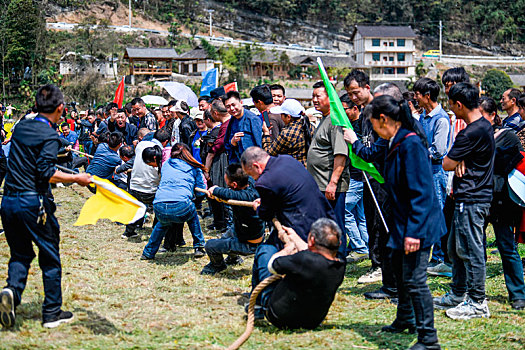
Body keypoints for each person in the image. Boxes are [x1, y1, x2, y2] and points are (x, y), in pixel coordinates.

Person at [344, 95, 444, 350]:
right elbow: (373, 157)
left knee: (414, 279)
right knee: (398, 270)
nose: (373, 130)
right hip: (401, 221)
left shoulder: (410, 144)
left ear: (384, 120)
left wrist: (413, 233)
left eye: (373, 125)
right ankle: (405, 318)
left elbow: (421, 193)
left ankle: (428, 339)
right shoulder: (392, 141)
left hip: (417, 224)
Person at [0, 84, 92, 329]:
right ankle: (51, 313)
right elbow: (46, 172)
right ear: (61, 109)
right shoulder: (50, 136)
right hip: (33, 203)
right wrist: (77, 178)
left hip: (8, 202)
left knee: (20, 253)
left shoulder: (20, 128)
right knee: (50, 256)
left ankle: (12, 292)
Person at [240, 147, 335, 310]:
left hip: (299, 228)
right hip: (322, 219)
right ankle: (257, 292)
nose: (252, 179)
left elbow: (265, 214)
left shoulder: (265, 182)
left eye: (250, 175)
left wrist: (259, 208)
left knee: (265, 251)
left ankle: (264, 299)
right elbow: (285, 193)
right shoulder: (287, 160)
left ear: (256, 166)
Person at [434, 82, 495, 320]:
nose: (450, 109)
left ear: (459, 104)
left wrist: (456, 159)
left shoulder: (470, 132)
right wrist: (459, 158)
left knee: (470, 249)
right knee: (455, 248)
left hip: (472, 197)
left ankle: (477, 301)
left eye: (450, 104)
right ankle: (458, 293)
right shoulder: (483, 126)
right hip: (468, 196)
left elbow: (446, 162)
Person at [479, 96, 525, 310]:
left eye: (481, 116)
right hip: (479, 198)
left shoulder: (507, 136)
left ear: (492, 115)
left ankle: (517, 294)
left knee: (507, 247)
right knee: (473, 247)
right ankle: (473, 290)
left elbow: (491, 160)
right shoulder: (475, 136)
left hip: (501, 201)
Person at [256, 218, 345, 328]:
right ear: (339, 243)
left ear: (311, 240)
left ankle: (258, 308)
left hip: (279, 317)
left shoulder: (304, 260)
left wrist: (287, 250)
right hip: (312, 322)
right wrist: (294, 237)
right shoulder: (340, 266)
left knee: (265, 250)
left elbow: (272, 265)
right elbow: (314, 255)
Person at [140, 143, 206, 259]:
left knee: (162, 223)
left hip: (159, 204)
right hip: (182, 204)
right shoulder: (194, 167)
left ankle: (148, 253)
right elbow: (201, 191)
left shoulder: (166, 165)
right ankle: (199, 246)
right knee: (193, 217)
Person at [307, 81, 350, 257]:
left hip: (331, 186)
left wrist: (333, 182)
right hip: (321, 185)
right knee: (325, 224)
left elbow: (341, 154)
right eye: (313, 96)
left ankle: (339, 257)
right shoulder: (324, 118)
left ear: (329, 98)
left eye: (318, 96)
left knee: (335, 223)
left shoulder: (335, 120)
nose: (314, 100)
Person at [201, 163, 264, 275]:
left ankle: (218, 266)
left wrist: (215, 189)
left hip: (248, 244)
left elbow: (225, 193)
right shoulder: (251, 184)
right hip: (242, 230)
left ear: (235, 185)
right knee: (225, 237)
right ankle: (234, 259)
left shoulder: (245, 197)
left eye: (228, 184)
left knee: (210, 245)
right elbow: (228, 193)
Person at [413, 77, 450, 266]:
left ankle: (439, 258)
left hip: (436, 172)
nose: (415, 98)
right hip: (426, 172)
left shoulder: (441, 119)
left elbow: (439, 151)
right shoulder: (423, 117)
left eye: (417, 95)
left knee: (437, 215)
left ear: (427, 96)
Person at [339, 93, 369, 262]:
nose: (343, 114)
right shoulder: (348, 125)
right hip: (354, 176)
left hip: (359, 176)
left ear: (355, 108)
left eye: (345, 110)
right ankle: (366, 245)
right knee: (360, 215)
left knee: (345, 211)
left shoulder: (363, 125)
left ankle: (359, 247)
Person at [205, 99, 232, 232]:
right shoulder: (225, 124)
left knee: (223, 191)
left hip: (223, 162)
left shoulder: (227, 125)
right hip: (223, 160)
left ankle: (227, 224)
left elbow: (217, 147)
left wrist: (207, 167)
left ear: (215, 113)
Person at [261, 98, 312, 166]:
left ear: (288, 117)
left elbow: (269, 152)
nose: (280, 117)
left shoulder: (287, 134)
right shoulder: (309, 126)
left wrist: (266, 133)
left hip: (292, 169)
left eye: (281, 114)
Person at [223, 91, 263, 163]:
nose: (232, 108)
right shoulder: (232, 121)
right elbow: (227, 144)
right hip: (238, 163)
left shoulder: (252, 119)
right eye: (228, 107)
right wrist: (232, 142)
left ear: (241, 103)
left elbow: (259, 144)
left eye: (233, 105)